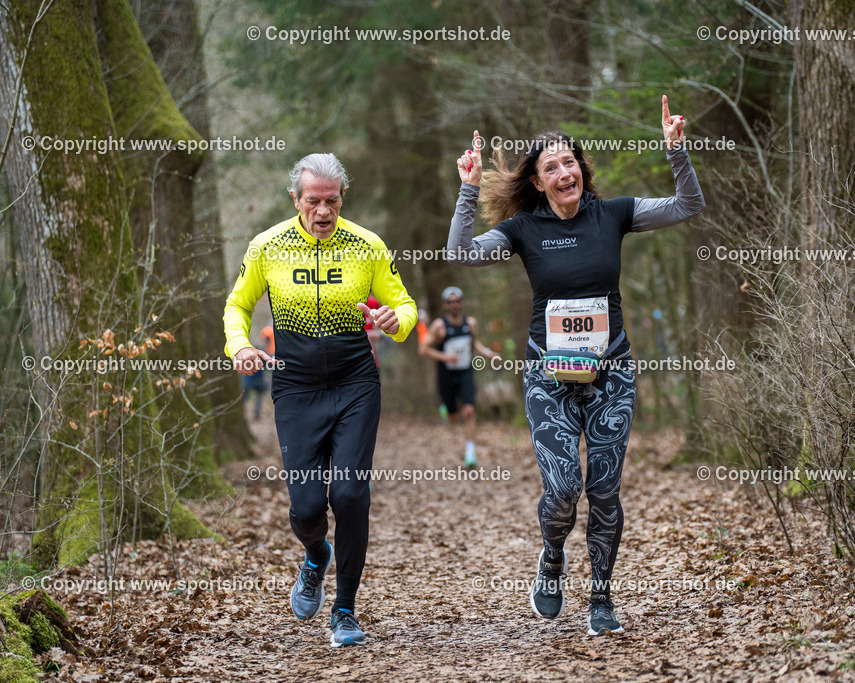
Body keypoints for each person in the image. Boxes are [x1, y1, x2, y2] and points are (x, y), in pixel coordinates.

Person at [445, 96, 704, 635]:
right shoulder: (523, 231)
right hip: (547, 375)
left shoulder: (615, 215)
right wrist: (468, 190)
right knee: (563, 488)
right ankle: (552, 556)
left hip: (611, 373)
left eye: (571, 163)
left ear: (581, 171)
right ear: (538, 183)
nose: (565, 172)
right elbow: (461, 254)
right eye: (552, 167)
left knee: (604, 487)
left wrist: (676, 151)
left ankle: (602, 598)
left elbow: (687, 205)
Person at [224, 152, 416, 649]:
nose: (324, 211)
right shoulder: (267, 246)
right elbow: (237, 304)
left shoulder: (367, 245)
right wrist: (240, 345)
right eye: (313, 201)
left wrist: (398, 321)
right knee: (307, 508)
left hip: (355, 384)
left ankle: (346, 611)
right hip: (295, 388)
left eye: (332, 201)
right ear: (296, 199)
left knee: (350, 497)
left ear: (342, 198)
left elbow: (403, 303)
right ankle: (315, 555)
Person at [418, 286, 500, 468]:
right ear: (445, 305)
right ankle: (447, 409)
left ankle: (470, 455)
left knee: (469, 411)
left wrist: (488, 353)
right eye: (450, 302)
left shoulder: (470, 323)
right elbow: (423, 349)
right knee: (454, 417)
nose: (454, 305)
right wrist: (445, 357)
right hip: (446, 374)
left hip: (465, 372)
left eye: (456, 301)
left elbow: (474, 342)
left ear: (461, 303)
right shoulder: (439, 326)